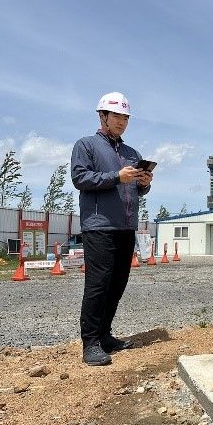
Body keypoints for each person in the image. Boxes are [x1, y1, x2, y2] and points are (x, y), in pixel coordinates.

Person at [71, 92, 153, 366]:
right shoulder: (86, 145)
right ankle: (90, 343)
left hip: (125, 227)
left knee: (117, 284)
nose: (121, 122)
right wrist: (117, 176)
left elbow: (138, 191)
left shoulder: (132, 154)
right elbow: (80, 178)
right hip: (99, 227)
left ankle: (105, 336)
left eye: (125, 117)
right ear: (102, 116)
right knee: (97, 285)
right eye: (116, 116)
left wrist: (143, 182)